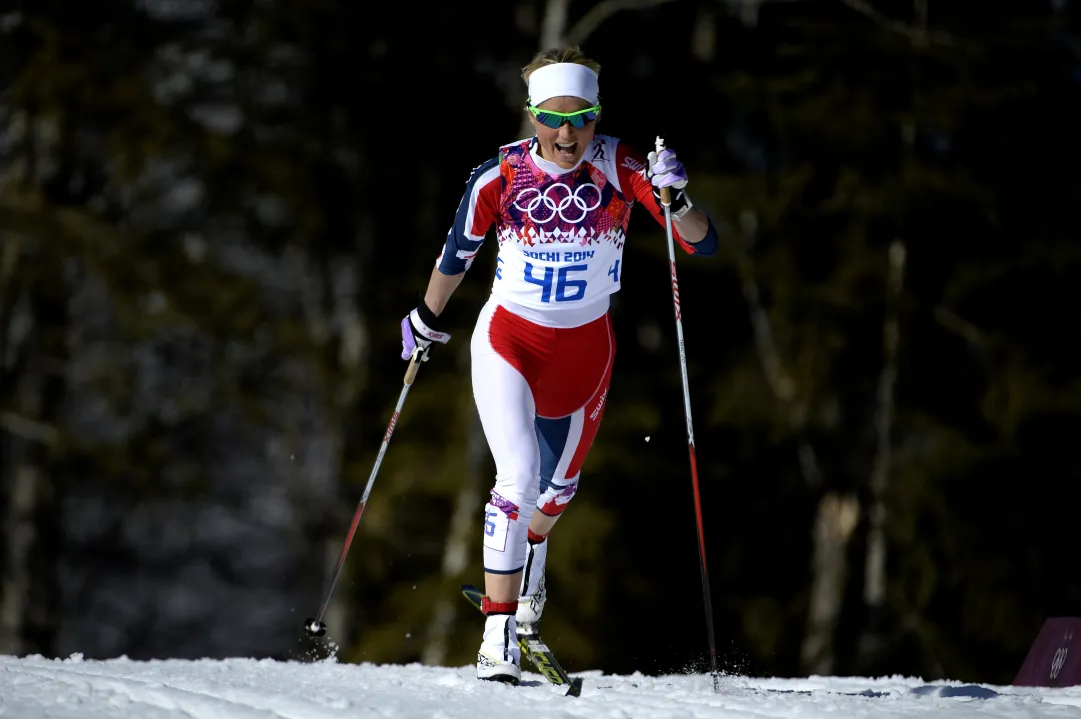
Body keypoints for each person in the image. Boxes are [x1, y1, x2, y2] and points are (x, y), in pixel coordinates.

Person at [400, 45, 718, 684]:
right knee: (515, 479)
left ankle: (530, 572)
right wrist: (424, 320)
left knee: (556, 494)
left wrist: (677, 198)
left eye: (582, 118)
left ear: (598, 117)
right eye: (552, 118)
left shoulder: (626, 166)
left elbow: (701, 243)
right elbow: (457, 253)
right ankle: (498, 635)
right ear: (531, 116)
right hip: (509, 342)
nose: (567, 134)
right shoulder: (499, 177)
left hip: (586, 352)